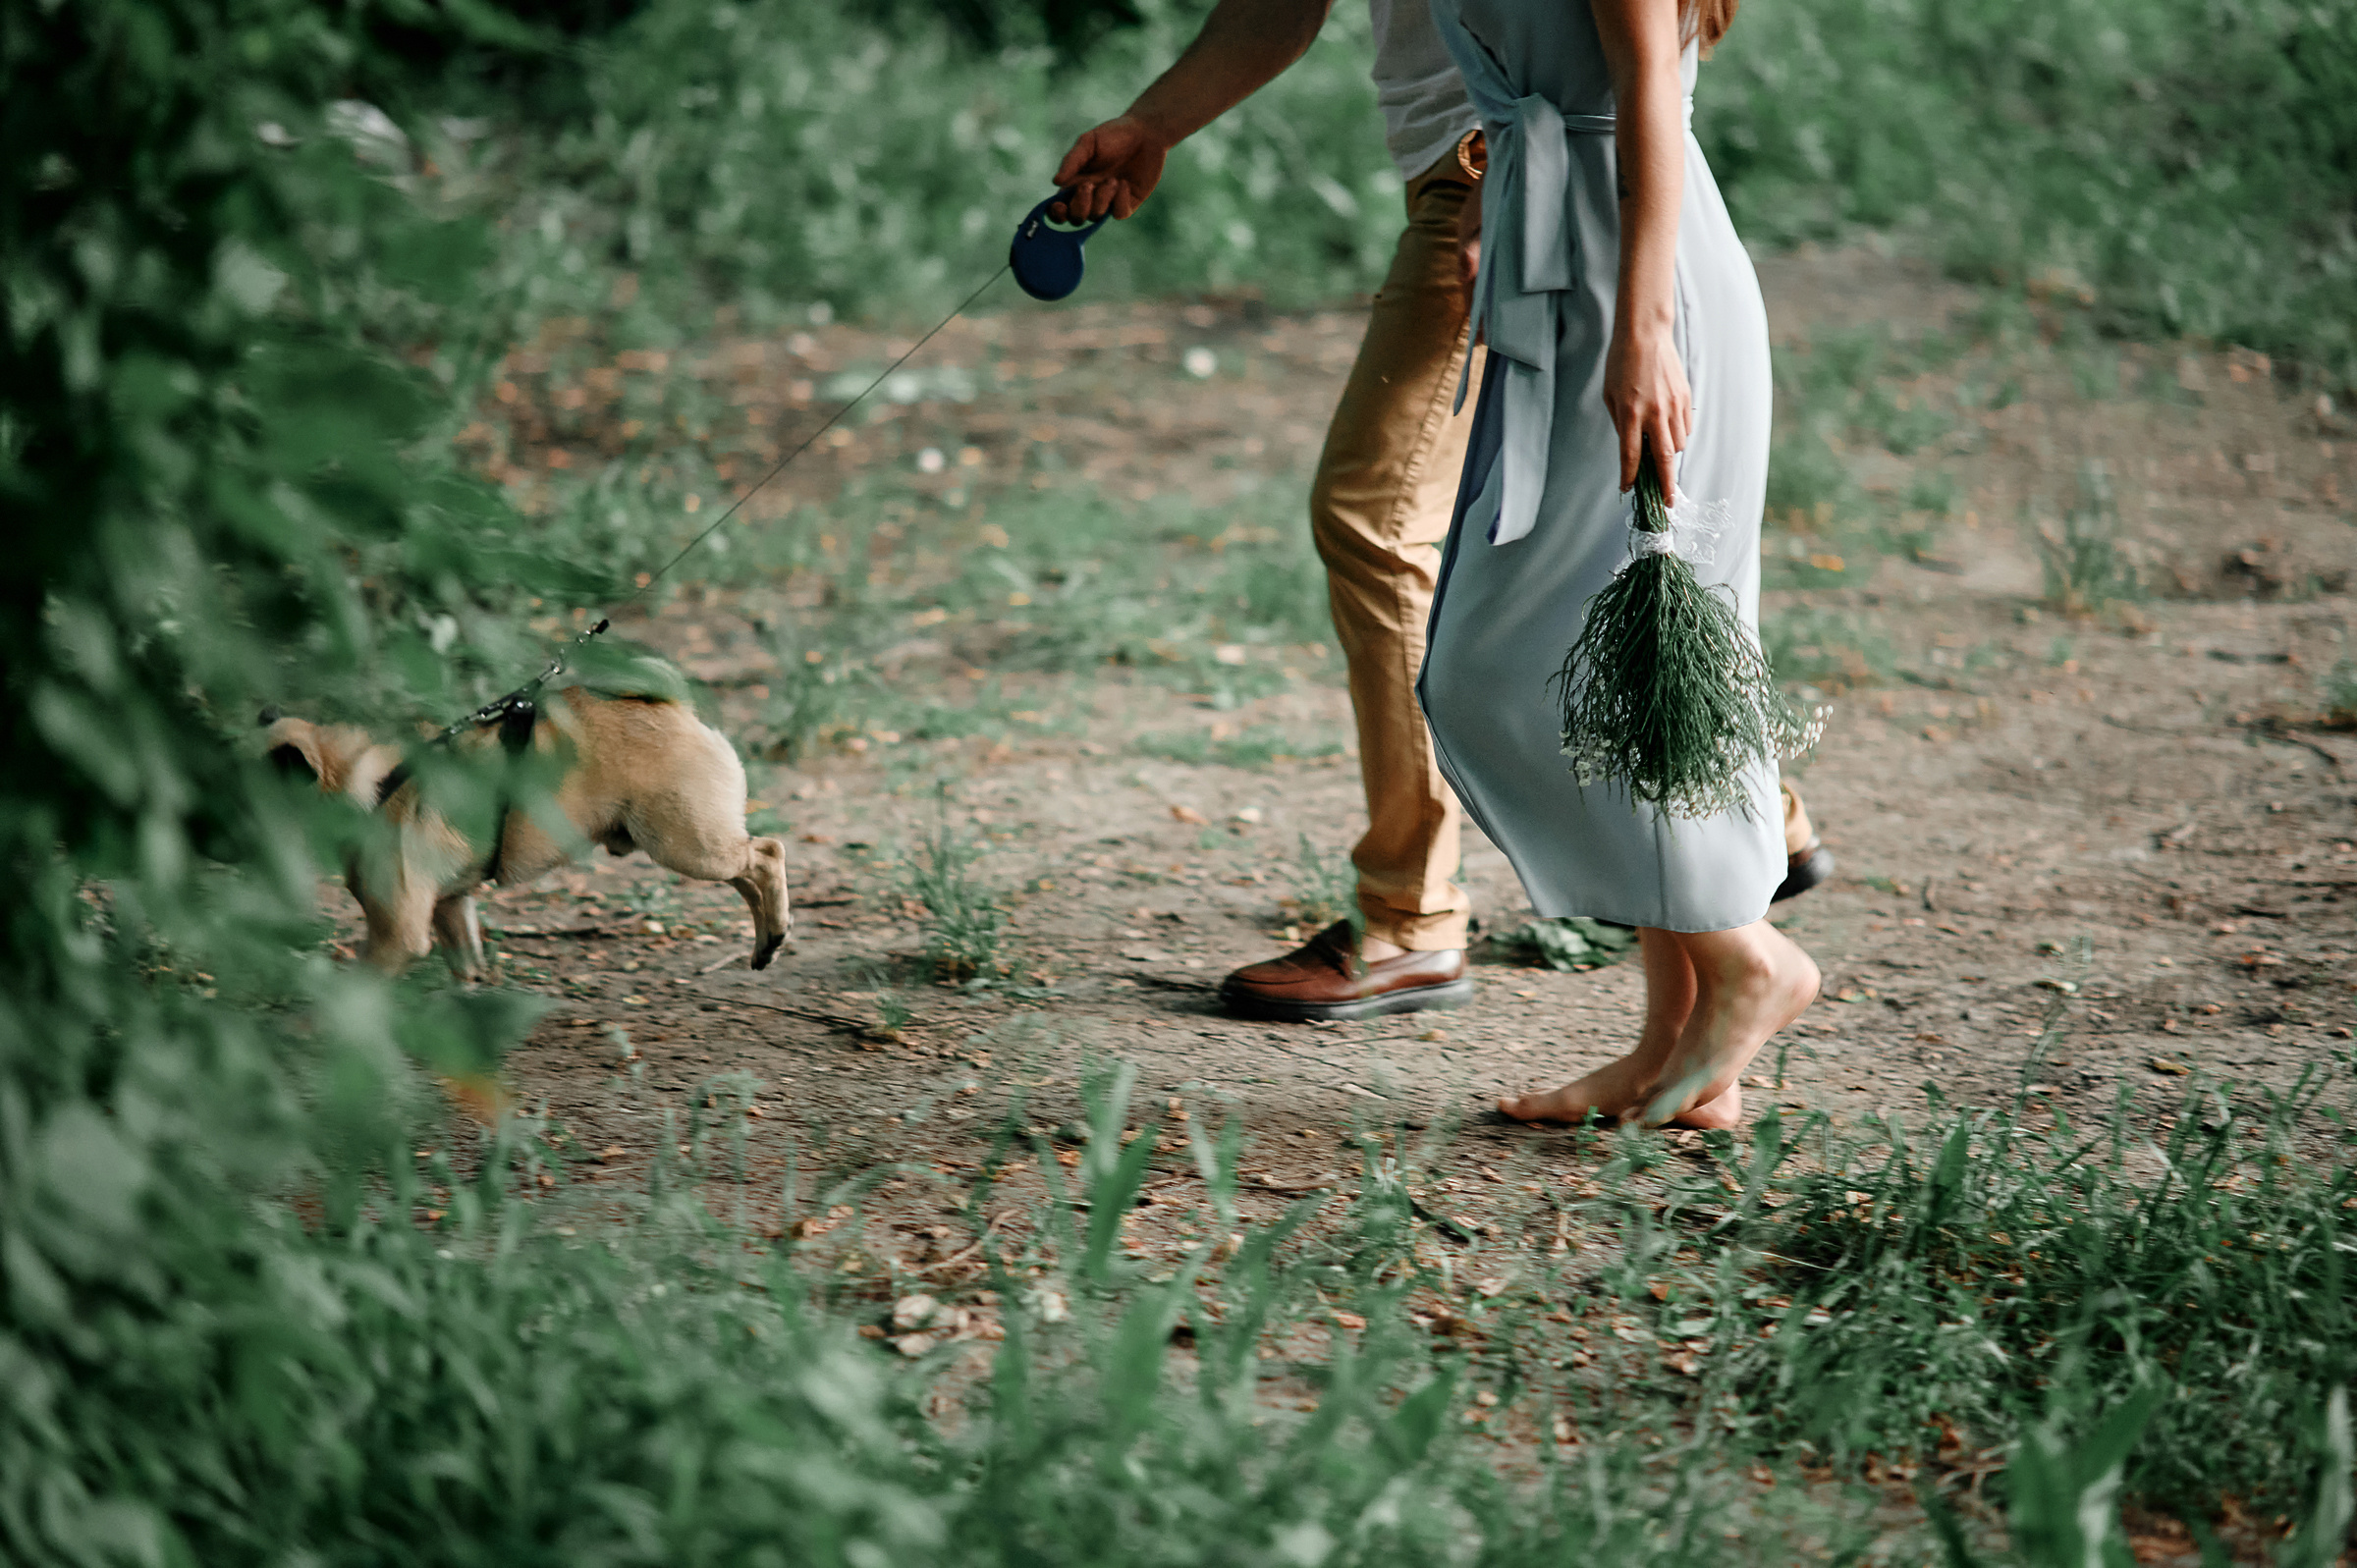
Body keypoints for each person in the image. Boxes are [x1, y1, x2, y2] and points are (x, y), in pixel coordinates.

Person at [1051, 0, 1833, 1036]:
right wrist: (1155, 123)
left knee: (1390, 521)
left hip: (1532, 178)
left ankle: (1415, 913)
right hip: (1498, 174)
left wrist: (1626, 308)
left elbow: (1638, 68)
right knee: (1597, 543)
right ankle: (1741, 828)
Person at [1415, 0, 1817, 1127]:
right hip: (1579, 253)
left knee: (1488, 667)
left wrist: (1643, 332)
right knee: (1644, 676)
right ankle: (1679, 1051)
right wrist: (1503, 201)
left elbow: (1645, 86)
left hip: (1638, 287)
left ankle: (1747, 960)